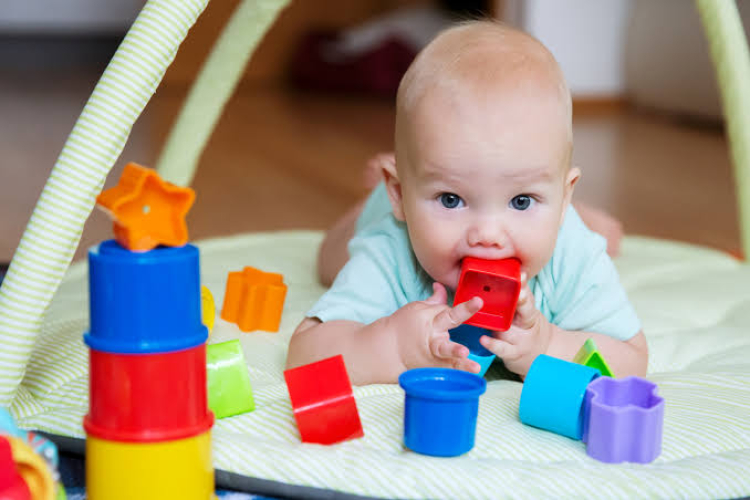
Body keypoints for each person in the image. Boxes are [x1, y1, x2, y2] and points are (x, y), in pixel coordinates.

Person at [286, 20, 647, 385]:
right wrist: (394, 345)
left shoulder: (571, 254)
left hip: (547, 212)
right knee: (329, 259)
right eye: (451, 199)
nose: (487, 235)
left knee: (599, 237)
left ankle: (556, 208)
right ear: (400, 194)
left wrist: (549, 345)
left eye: (522, 201)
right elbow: (305, 353)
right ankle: (374, 199)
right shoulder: (391, 251)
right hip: (384, 213)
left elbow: (630, 358)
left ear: (564, 197)